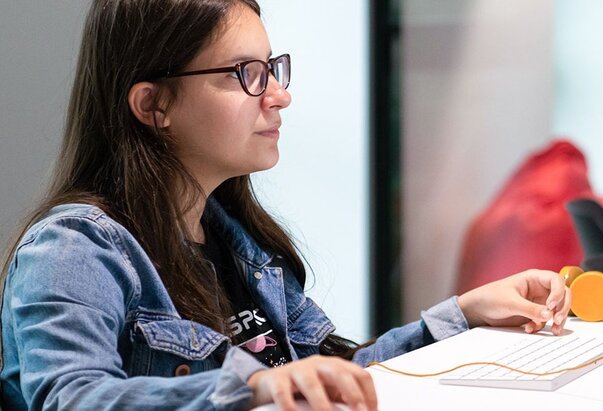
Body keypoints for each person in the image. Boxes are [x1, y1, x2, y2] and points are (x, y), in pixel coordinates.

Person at [0, 1, 571, 410]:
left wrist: (462, 314)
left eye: (272, 68)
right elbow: (73, 396)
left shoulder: (235, 241)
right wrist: (251, 386)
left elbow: (325, 379)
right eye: (245, 74)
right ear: (154, 105)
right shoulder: (73, 248)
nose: (279, 95)